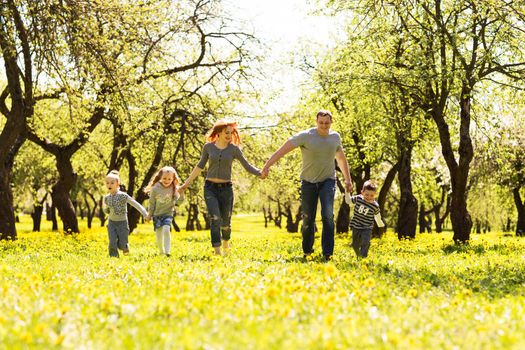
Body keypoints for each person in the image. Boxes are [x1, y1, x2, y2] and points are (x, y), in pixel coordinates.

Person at [262, 110, 353, 261]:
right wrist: (267, 165)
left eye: (327, 122)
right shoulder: (306, 136)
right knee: (308, 218)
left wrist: (348, 180)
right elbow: (283, 150)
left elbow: (341, 159)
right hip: (308, 183)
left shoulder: (335, 137)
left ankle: (328, 253)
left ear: (331, 122)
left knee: (328, 216)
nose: (324, 125)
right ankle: (307, 251)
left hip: (328, 181)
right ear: (316, 121)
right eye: (321, 122)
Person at [180, 119, 265, 255]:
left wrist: (260, 173)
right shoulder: (208, 147)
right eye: (227, 132)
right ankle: (217, 250)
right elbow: (200, 166)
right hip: (210, 188)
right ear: (219, 132)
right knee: (215, 218)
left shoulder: (234, 149)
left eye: (231, 133)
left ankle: (226, 242)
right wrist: (186, 184)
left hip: (226, 189)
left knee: (226, 221)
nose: (229, 135)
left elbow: (247, 166)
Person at [103, 170, 149, 257]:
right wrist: (106, 210)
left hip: (122, 223)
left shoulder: (123, 196)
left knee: (122, 242)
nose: (109, 185)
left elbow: (135, 204)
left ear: (118, 184)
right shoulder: (106, 198)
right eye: (107, 183)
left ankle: (124, 246)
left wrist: (145, 213)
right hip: (112, 222)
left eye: (112, 183)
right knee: (112, 241)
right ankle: (114, 257)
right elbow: (106, 209)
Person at [144, 166, 183, 257]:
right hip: (157, 214)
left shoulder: (174, 188)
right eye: (164, 178)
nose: (167, 180)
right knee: (159, 234)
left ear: (173, 179)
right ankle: (161, 251)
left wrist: (181, 194)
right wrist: (150, 214)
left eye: (169, 179)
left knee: (166, 229)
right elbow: (152, 203)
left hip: (168, 213)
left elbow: (179, 202)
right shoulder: (155, 189)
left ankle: (167, 251)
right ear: (160, 177)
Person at [345, 180, 384, 258]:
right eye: (367, 194)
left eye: (371, 195)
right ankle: (359, 255)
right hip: (356, 225)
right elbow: (348, 201)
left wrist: (380, 224)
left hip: (367, 227)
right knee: (355, 245)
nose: (369, 197)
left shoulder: (375, 205)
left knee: (365, 242)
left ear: (375, 195)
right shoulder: (358, 198)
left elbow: (377, 216)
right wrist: (347, 192)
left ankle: (363, 257)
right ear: (362, 192)